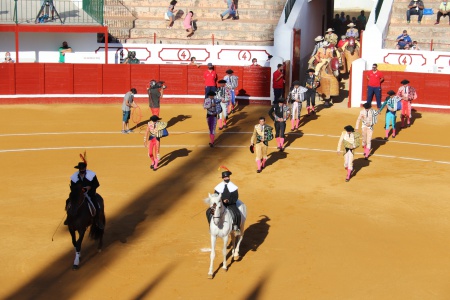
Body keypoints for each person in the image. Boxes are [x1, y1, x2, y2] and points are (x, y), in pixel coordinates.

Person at [65, 160, 104, 229]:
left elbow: (96, 184)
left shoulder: (91, 175)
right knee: (68, 201)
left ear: (85, 168)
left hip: (90, 193)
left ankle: (97, 220)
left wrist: (89, 187)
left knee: (95, 204)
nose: (81, 170)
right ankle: (68, 217)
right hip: (78, 194)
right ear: (79, 169)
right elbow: (72, 186)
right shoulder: (74, 177)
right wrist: (78, 190)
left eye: (83, 169)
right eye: (80, 169)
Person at [207, 168, 241, 234]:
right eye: (225, 177)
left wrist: (228, 200)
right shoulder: (219, 187)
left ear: (229, 177)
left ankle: (237, 228)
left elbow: (235, 197)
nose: (226, 178)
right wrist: (221, 201)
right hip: (219, 204)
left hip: (230, 204)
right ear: (223, 178)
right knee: (208, 212)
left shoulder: (233, 186)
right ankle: (210, 226)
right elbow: (215, 196)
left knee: (237, 213)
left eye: (227, 177)